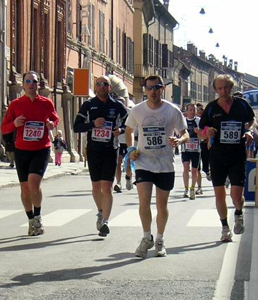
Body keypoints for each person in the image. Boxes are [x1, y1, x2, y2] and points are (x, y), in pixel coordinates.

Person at [125, 74, 188, 258]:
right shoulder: (137, 110)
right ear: (145, 90)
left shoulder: (172, 111)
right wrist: (131, 149)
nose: (153, 91)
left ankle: (160, 239)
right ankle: (146, 237)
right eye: (149, 88)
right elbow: (129, 130)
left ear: (162, 89)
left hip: (164, 164)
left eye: (156, 87)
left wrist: (178, 140)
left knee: (162, 205)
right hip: (143, 161)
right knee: (144, 203)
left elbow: (185, 134)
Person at [1, 71, 60, 236]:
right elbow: (4, 127)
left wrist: (50, 124)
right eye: (28, 81)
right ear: (23, 85)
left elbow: (55, 119)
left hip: (41, 149)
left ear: (38, 85)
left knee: (34, 184)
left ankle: (38, 216)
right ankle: (30, 219)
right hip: (22, 150)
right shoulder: (16, 104)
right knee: (25, 189)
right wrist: (14, 123)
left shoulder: (46, 103)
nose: (31, 84)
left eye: (34, 81)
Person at [199, 75, 255, 242]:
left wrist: (248, 131)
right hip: (217, 155)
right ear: (216, 90)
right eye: (220, 88)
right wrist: (207, 133)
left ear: (231, 88)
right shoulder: (211, 108)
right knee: (219, 194)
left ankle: (238, 213)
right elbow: (200, 131)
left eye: (226, 87)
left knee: (236, 196)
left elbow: (251, 120)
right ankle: (224, 227)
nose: (223, 91)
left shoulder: (242, 105)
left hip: (237, 154)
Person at [73, 75, 128, 237]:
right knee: (96, 187)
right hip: (93, 151)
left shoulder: (117, 105)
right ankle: (100, 211)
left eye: (105, 84)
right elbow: (76, 127)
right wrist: (92, 124)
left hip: (110, 150)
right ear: (95, 87)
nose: (102, 86)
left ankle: (105, 221)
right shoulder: (89, 105)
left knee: (107, 187)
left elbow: (130, 122)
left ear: (110, 88)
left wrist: (121, 130)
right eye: (99, 84)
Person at [181, 103, 201, 200]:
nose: (192, 112)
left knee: (194, 170)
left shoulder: (198, 121)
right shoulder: (183, 121)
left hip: (196, 149)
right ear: (186, 111)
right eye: (190, 110)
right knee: (185, 168)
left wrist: (199, 132)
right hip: (185, 148)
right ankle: (186, 189)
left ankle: (192, 188)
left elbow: (203, 135)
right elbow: (178, 133)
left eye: (194, 110)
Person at [114, 96, 133, 192]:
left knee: (128, 163)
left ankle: (128, 178)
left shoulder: (130, 112)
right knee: (118, 162)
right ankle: (118, 183)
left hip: (128, 141)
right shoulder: (113, 111)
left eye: (122, 102)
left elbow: (134, 127)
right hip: (118, 141)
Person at [196, 103, 210, 182]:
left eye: (201, 110)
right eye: (197, 110)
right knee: (197, 165)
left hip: (205, 143)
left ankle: (207, 171)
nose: (199, 111)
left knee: (206, 160)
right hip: (196, 144)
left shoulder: (205, 119)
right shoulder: (194, 120)